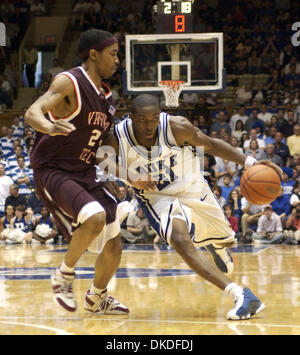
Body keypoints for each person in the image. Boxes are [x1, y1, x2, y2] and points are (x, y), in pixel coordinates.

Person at [96, 94, 283, 320]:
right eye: (142, 119)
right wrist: (129, 178)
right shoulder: (117, 137)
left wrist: (251, 162)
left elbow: (211, 145)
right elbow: (101, 158)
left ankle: (216, 245)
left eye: (154, 118)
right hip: (158, 196)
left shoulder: (177, 127)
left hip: (193, 185)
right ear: (131, 117)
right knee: (180, 239)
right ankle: (241, 294)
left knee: (223, 243)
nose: (148, 125)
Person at [24, 29, 143, 315]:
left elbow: (102, 155)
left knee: (114, 242)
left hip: (84, 172)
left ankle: (97, 297)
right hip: (54, 171)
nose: (117, 61)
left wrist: (131, 177)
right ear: (93, 53)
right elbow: (32, 113)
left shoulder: (106, 98)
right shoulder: (70, 82)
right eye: (113, 54)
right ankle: (63, 276)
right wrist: (49, 126)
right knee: (95, 216)